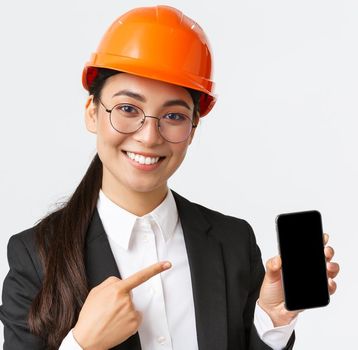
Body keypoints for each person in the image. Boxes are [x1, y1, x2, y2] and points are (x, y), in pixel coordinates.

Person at [0, 5, 340, 350]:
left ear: (192, 129)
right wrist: (82, 344)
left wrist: (272, 317)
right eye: (128, 109)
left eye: (174, 115)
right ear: (92, 112)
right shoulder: (35, 256)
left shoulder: (233, 242)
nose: (149, 137)